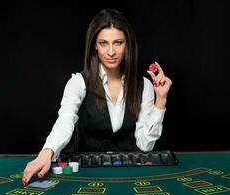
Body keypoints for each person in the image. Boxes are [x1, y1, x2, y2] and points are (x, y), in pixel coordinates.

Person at [22, 8, 172, 185]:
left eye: (118, 42)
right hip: (83, 175)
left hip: (128, 176)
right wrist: (46, 153)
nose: (111, 52)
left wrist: (160, 100)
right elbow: (65, 120)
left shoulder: (144, 85)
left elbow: (145, 145)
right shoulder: (78, 83)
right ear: (94, 44)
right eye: (103, 43)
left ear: (128, 44)